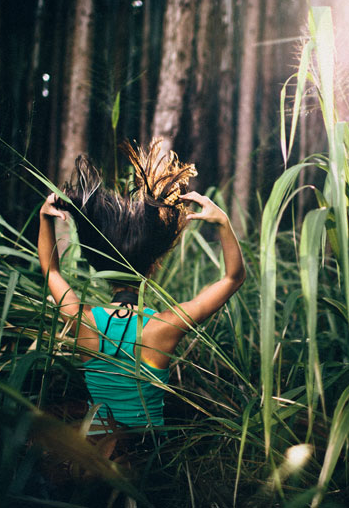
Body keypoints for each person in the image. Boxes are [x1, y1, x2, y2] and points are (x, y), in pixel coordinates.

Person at [36, 138, 245, 446]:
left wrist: (44, 217)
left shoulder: (83, 322)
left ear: (97, 265)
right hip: (147, 456)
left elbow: (50, 270)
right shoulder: (162, 328)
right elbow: (233, 278)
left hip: (95, 450)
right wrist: (223, 223)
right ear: (153, 267)